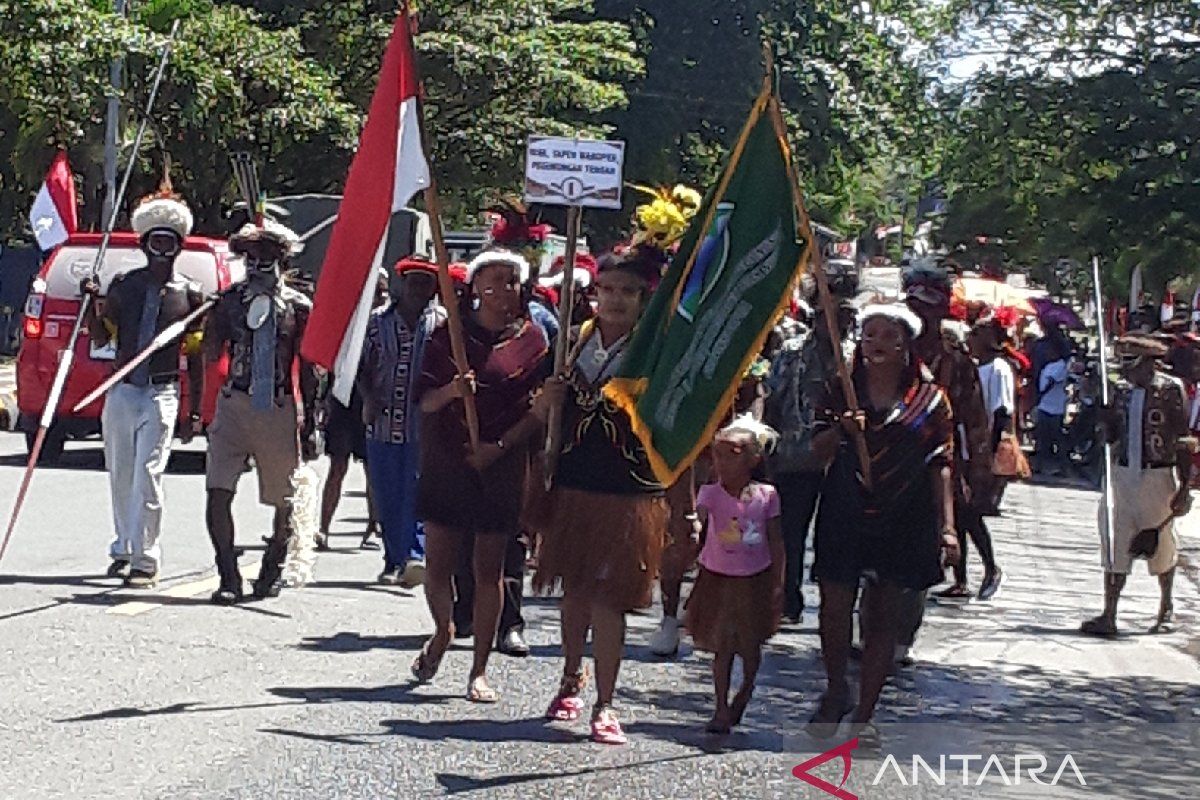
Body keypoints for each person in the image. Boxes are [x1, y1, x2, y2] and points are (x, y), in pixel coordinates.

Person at [533, 244, 671, 745]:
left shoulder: (656, 350)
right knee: (575, 592)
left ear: (643, 297)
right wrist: (546, 403)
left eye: (627, 292)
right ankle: (571, 676)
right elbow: (545, 417)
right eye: (608, 289)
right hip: (574, 483)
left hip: (629, 489)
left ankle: (607, 704)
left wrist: (690, 506)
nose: (615, 300)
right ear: (594, 293)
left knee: (610, 600)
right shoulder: (570, 342)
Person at [807, 304, 959, 747]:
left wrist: (948, 528)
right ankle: (836, 689)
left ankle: (865, 714)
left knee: (882, 617)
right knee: (834, 607)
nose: (876, 344)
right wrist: (840, 430)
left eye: (887, 336)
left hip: (905, 514)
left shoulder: (931, 400)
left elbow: (942, 465)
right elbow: (815, 450)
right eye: (869, 335)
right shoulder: (841, 390)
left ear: (905, 344)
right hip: (844, 506)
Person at [411, 248, 552, 703]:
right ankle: (442, 630)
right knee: (439, 564)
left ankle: (479, 669)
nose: (501, 290)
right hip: (448, 461)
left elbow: (538, 414)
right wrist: (454, 390)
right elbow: (424, 401)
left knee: (489, 569)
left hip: (502, 463)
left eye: (510, 281)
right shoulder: (447, 335)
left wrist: (499, 448)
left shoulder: (534, 342)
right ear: (474, 287)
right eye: (491, 281)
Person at [83, 188, 205, 587]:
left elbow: (197, 357)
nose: (162, 250)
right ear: (144, 245)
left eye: (169, 243)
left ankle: (145, 559)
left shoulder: (190, 296)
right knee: (120, 473)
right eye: (156, 242)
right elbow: (101, 339)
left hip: (161, 394)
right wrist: (92, 306)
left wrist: (195, 410)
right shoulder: (124, 286)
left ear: (179, 247)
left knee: (149, 474)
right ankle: (123, 545)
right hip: (122, 392)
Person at [202, 221, 318, 605]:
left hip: (279, 409)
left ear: (281, 261)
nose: (257, 265)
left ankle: (273, 565)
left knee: (284, 500)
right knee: (217, 492)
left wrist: (312, 423)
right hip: (233, 404)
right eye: (250, 257)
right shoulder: (228, 301)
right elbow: (209, 352)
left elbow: (313, 367)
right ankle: (228, 575)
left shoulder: (299, 307)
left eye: (266, 257)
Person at [897, 262, 995, 645]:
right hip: (886, 463)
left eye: (927, 307)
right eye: (913, 306)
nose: (919, 314)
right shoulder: (887, 348)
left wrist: (977, 474)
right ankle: (872, 626)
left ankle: (904, 629)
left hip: (937, 464)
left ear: (940, 311)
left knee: (922, 551)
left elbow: (976, 421)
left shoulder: (956, 360)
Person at [1082, 335, 1193, 636]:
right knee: (1115, 538)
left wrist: (1185, 486)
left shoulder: (1171, 390)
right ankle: (1109, 613)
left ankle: (1166, 607)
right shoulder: (1119, 391)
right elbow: (1111, 435)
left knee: (1161, 542)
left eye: (1132, 364)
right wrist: (1104, 420)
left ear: (1148, 363)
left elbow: (1182, 439)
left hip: (1157, 475)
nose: (1127, 372)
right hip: (1120, 473)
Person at [685, 416, 784, 734]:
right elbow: (698, 520)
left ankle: (746, 689)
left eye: (734, 453)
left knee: (751, 643)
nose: (724, 461)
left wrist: (779, 581)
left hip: (755, 577)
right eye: (718, 453)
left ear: (754, 458)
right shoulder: (710, 493)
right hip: (718, 575)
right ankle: (720, 707)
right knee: (722, 644)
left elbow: (776, 539)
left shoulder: (767, 495)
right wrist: (693, 528)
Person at [762, 297, 855, 624]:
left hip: (841, 462)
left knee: (836, 535)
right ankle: (788, 599)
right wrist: (768, 451)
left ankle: (837, 607)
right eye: (833, 315)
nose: (840, 323)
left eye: (846, 317)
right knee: (790, 533)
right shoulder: (792, 352)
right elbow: (773, 400)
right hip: (795, 457)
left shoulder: (855, 356)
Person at [357, 257, 443, 586]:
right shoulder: (378, 323)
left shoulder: (442, 324)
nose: (419, 288)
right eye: (414, 281)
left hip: (426, 427)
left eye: (426, 282)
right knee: (387, 494)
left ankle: (415, 556)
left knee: (417, 492)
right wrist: (368, 396)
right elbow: (361, 367)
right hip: (382, 421)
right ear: (401, 284)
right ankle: (393, 559)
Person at [317, 386, 378, 552]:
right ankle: (323, 529)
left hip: (371, 397)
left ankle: (374, 526)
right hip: (342, 401)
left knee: (372, 471)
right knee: (337, 468)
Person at [1034, 338, 1071, 476]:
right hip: (1044, 407)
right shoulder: (1047, 366)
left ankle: (1063, 467)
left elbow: (1051, 382)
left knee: (1057, 438)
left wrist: (1040, 395)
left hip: (1055, 408)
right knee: (1042, 438)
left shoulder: (1062, 366)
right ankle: (1040, 465)